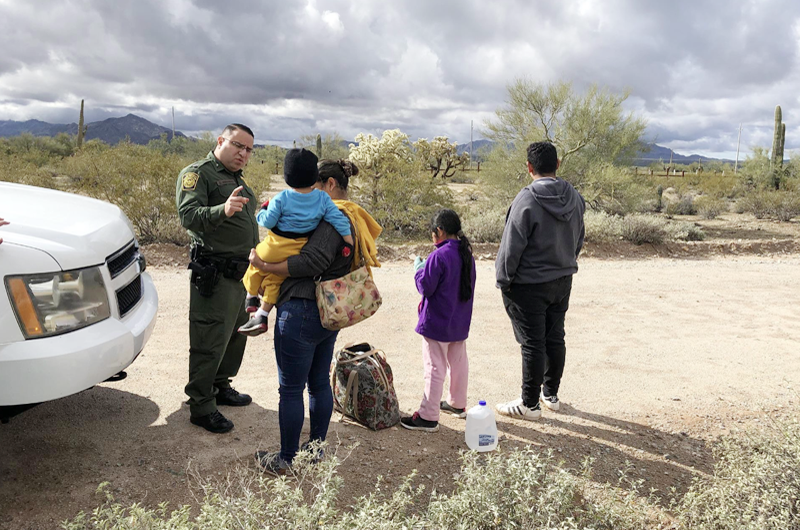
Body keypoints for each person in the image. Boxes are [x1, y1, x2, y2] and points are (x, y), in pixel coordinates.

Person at [249, 159, 381, 475]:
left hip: (302, 310)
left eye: (313, 187)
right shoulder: (354, 216)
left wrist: (266, 267)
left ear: (329, 185)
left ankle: (286, 459)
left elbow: (312, 260)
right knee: (318, 382)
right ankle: (315, 451)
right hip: (327, 312)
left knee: (291, 389)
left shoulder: (331, 218)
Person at [175, 123, 260, 434]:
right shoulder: (198, 174)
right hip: (215, 273)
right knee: (209, 340)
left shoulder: (237, 179)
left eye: (249, 149)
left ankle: (220, 385)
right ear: (221, 140)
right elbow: (188, 217)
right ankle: (200, 405)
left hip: (240, 275)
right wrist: (221, 210)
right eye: (238, 146)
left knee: (234, 336)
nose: (244, 153)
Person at [495, 141, 585, 421]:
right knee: (555, 336)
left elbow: (511, 247)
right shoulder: (574, 196)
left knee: (533, 343)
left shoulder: (527, 199)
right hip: (563, 278)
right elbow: (579, 236)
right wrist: (567, 261)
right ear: (558, 164)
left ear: (529, 167)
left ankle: (529, 404)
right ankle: (550, 395)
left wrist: (504, 280)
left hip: (530, 283)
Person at [237, 149, 354, 337]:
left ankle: (251, 297)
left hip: (275, 246)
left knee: (255, 265)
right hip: (298, 247)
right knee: (275, 278)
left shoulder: (281, 198)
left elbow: (267, 222)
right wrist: (349, 242)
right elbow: (339, 221)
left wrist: (262, 211)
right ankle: (263, 313)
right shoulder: (324, 199)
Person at [401, 209, 476, 433]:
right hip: (459, 321)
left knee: (435, 366)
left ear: (439, 231)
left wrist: (419, 270)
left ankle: (428, 415)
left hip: (437, 321)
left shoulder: (438, 256)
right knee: (458, 362)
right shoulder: (466, 255)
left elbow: (425, 286)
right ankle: (456, 403)